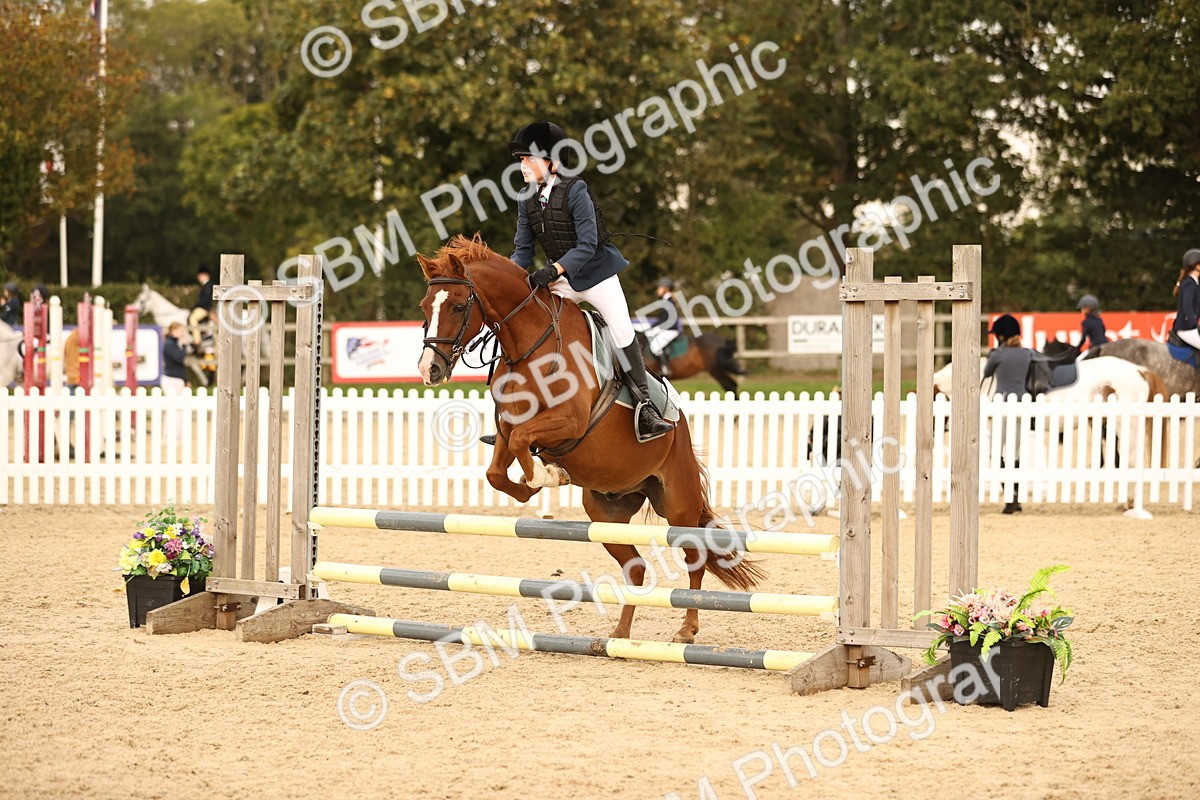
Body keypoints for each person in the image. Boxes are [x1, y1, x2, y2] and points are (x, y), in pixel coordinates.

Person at [506, 120, 673, 442]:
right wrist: (513, 279)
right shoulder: (526, 198)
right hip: (562, 279)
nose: (522, 165)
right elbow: (522, 250)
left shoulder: (575, 189)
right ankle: (522, 409)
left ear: (551, 161)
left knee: (623, 331)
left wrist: (554, 270)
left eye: (528, 158)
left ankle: (647, 407)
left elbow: (586, 244)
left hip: (597, 276)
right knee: (529, 326)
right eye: (520, 159)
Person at [983, 313, 1035, 514]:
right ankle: (1017, 496)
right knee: (1015, 452)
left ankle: (1010, 496)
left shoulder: (997, 354)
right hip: (1023, 404)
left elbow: (987, 373)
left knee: (996, 452)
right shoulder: (1027, 354)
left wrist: (993, 354)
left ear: (1002, 336)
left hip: (1002, 406)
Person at [644, 277, 684, 377]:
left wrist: (653, 328)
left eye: (659, 288)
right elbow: (662, 318)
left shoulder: (669, 301)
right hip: (667, 328)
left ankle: (666, 369)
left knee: (655, 346)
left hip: (670, 330)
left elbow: (665, 319)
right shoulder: (667, 300)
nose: (657, 290)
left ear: (665, 288)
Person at [1169, 249, 1200, 367]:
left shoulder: (1194, 282)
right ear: (1197, 266)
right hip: (1185, 329)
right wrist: (1195, 324)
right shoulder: (1189, 283)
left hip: (1190, 327)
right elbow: (1187, 307)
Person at [189, 266, 213, 345]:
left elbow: (205, 300)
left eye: (200, 276)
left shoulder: (208, 286)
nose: (198, 277)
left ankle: (197, 340)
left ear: (205, 275)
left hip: (205, 308)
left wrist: (196, 305)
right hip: (202, 307)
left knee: (193, 318)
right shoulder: (204, 286)